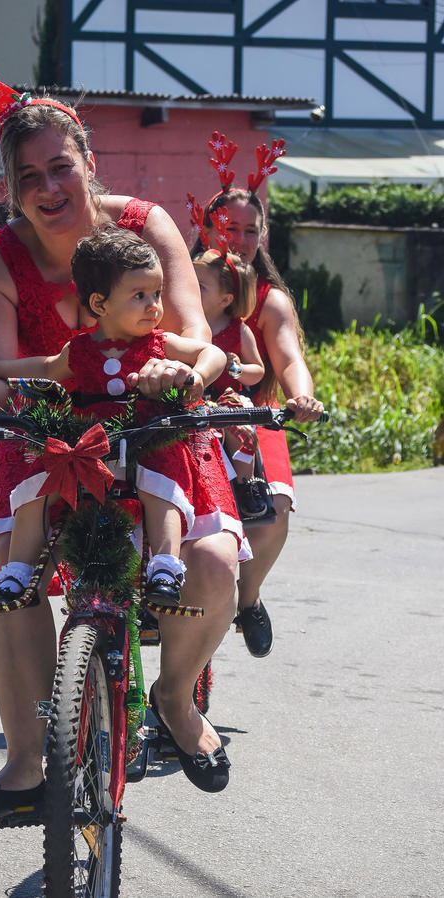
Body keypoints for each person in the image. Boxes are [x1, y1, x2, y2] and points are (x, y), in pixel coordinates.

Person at [0, 65, 240, 820]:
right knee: (14, 575)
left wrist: (177, 370)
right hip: (50, 437)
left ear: (89, 163)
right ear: (13, 185)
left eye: (60, 165)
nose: (48, 186)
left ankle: (172, 697)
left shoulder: (144, 225)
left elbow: (198, 337)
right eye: (28, 174)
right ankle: (28, 763)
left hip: (154, 420)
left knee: (209, 562)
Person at [0, 225, 241, 611]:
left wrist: (197, 376)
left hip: (145, 437)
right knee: (39, 484)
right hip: (88, 443)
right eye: (139, 295)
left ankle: (165, 566)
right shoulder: (78, 349)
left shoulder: (159, 343)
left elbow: (212, 355)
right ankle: (16, 574)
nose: (154, 306)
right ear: (100, 303)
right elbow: (43, 366)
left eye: (157, 294)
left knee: (162, 480)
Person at [191, 134, 324, 659]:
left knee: (276, 510)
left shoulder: (269, 302)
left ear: (263, 236)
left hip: (252, 417)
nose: (240, 239)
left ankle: (247, 600)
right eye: (229, 228)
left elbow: (288, 359)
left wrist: (303, 398)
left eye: (251, 230)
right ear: (205, 228)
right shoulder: (180, 283)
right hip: (189, 411)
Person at [192, 247, 266, 511]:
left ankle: (247, 483)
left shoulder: (238, 329)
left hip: (225, 396)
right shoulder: (185, 324)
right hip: (195, 397)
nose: (191, 289)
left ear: (225, 300)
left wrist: (237, 369)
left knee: (240, 420)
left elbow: (257, 370)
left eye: (200, 286)